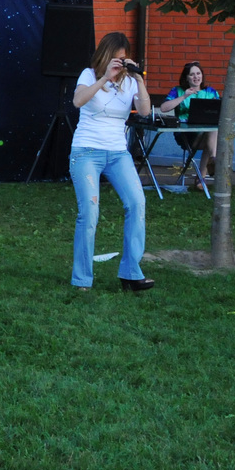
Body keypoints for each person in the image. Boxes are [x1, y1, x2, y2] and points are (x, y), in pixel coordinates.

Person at [68, 32, 154, 291]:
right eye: (116, 58)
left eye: (124, 59)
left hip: (117, 153)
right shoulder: (89, 75)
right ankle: (82, 279)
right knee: (89, 211)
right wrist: (105, 77)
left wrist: (139, 80)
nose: (120, 63)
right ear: (105, 56)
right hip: (86, 151)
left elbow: (145, 111)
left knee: (137, 203)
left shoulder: (129, 82)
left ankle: (131, 272)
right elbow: (78, 101)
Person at [159, 61, 219, 179]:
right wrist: (184, 96)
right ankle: (212, 163)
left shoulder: (211, 92)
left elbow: (218, 112)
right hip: (186, 134)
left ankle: (208, 167)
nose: (196, 77)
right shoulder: (177, 90)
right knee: (212, 136)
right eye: (192, 74)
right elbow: (163, 108)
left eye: (198, 73)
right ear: (186, 78)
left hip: (206, 133)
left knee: (212, 130)